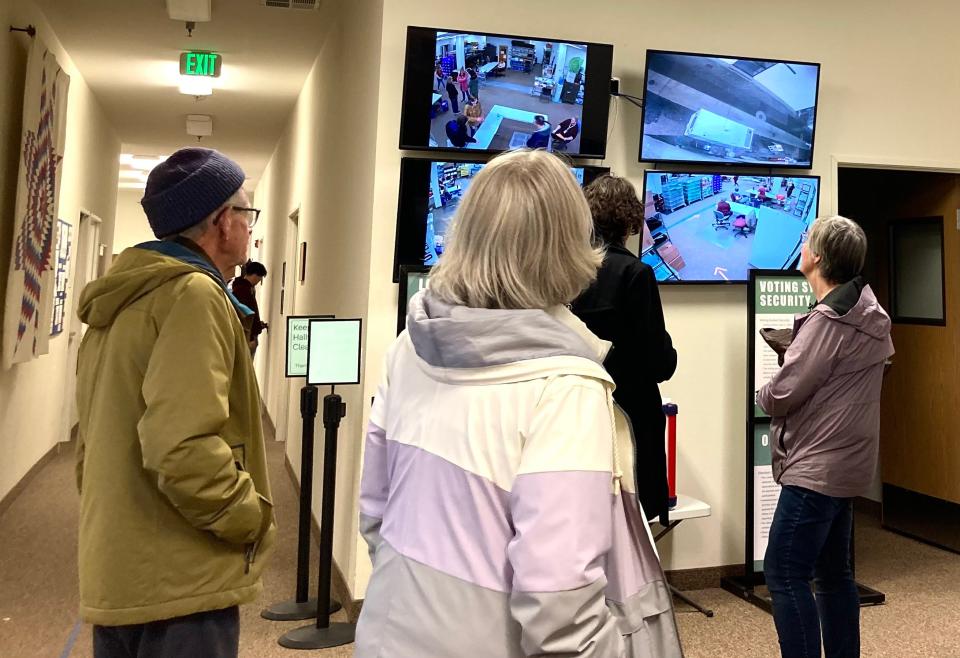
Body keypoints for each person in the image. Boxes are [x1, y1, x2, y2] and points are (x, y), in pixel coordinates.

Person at [355, 150, 683, 658]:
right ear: (568, 243)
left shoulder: (409, 347)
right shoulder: (566, 387)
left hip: (389, 630)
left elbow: (375, 512)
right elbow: (561, 614)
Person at [75, 147, 276, 658]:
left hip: (125, 561)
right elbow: (180, 447)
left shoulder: (127, 294)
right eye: (247, 215)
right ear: (222, 221)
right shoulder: (192, 295)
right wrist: (247, 515)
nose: (250, 228)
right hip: (178, 579)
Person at [758, 215, 894, 658]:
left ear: (816, 257)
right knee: (834, 575)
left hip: (817, 468)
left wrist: (763, 390)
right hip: (848, 464)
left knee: (783, 572)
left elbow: (783, 393)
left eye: (806, 242)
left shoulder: (828, 323)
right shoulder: (869, 316)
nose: (802, 247)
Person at [571, 174, 678, 522]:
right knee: (633, 518)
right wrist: (669, 352)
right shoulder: (636, 274)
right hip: (632, 412)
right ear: (630, 222)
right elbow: (659, 362)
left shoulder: (566, 271)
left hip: (578, 411)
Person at [230, 261, 268, 357]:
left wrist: (258, 325)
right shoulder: (243, 290)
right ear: (255, 275)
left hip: (248, 335)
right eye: (260, 278)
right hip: (247, 337)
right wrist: (250, 337)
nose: (259, 281)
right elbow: (244, 315)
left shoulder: (241, 288)